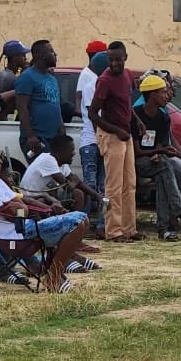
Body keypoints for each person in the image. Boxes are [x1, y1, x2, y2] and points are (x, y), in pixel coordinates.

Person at [0, 143, 88, 293]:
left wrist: (27, 207)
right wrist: (22, 209)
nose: (0, 161)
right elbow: (13, 217)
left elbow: (19, 202)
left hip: (24, 227)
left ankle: (54, 274)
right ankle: (53, 276)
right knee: (78, 222)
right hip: (15, 235)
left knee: (82, 220)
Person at [132, 74, 181, 240]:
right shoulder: (136, 115)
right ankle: (179, 213)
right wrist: (156, 154)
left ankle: (164, 229)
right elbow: (137, 151)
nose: (166, 96)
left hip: (154, 161)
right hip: (135, 161)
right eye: (163, 92)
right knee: (164, 166)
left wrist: (157, 152)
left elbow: (160, 143)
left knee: (163, 172)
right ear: (152, 94)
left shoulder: (163, 118)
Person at [90, 41, 141, 242]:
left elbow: (127, 104)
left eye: (117, 59)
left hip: (125, 135)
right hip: (112, 136)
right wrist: (116, 130)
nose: (114, 64)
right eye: (110, 60)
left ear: (125, 58)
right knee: (114, 186)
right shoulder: (104, 80)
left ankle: (130, 229)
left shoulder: (127, 75)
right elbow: (93, 113)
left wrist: (137, 122)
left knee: (130, 184)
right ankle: (113, 231)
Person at [22, 134, 106, 222]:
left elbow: (77, 183)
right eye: (71, 150)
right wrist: (74, 181)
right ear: (61, 151)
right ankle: (72, 223)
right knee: (77, 193)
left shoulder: (62, 163)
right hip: (32, 198)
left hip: (46, 195)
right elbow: (67, 187)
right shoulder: (48, 159)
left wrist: (97, 196)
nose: (74, 153)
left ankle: (75, 222)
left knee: (80, 192)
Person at [76, 42, 110, 235]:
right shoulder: (91, 86)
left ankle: (100, 224)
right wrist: (103, 138)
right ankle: (84, 225)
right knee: (90, 186)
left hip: (100, 141)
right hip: (91, 142)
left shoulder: (102, 85)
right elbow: (93, 114)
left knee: (102, 187)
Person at [14, 40, 64, 157]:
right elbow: (22, 107)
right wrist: (30, 135)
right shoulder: (27, 77)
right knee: (43, 174)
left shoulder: (52, 78)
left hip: (53, 137)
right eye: (51, 51)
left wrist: (61, 126)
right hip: (37, 138)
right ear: (41, 55)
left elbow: (55, 104)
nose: (55, 54)